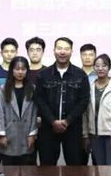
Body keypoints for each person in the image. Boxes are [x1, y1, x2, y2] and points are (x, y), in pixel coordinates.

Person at [33, 37, 90, 165]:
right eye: (59, 48)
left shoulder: (80, 74)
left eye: (66, 49)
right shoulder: (43, 74)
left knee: (75, 167)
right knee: (47, 168)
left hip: (73, 128)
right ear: (54, 50)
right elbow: (39, 99)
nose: (62, 52)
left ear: (71, 51)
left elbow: (84, 100)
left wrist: (67, 120)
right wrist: (53, 121)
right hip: (48, 128)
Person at [82, 54, 111, 165]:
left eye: (104, 65)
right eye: (97, 66)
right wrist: (85, 135)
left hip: (110, 135)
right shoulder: (90, 87)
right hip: (94, 135)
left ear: (109, 67)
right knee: (99, 168)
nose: (100, 68)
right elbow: (85, 113)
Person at [0, 56, 38, 166]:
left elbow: (34, 113)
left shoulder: (32, 88)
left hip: (26, 134)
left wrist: (32, 134)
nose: (20, 72)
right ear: (12, 70)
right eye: (17, 69)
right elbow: (0, 112)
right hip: (9, 134)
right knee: (9, 170)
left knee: (28, 170)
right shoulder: (4, 89)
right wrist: (1, 135)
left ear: (27, 71)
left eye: (23, 69)